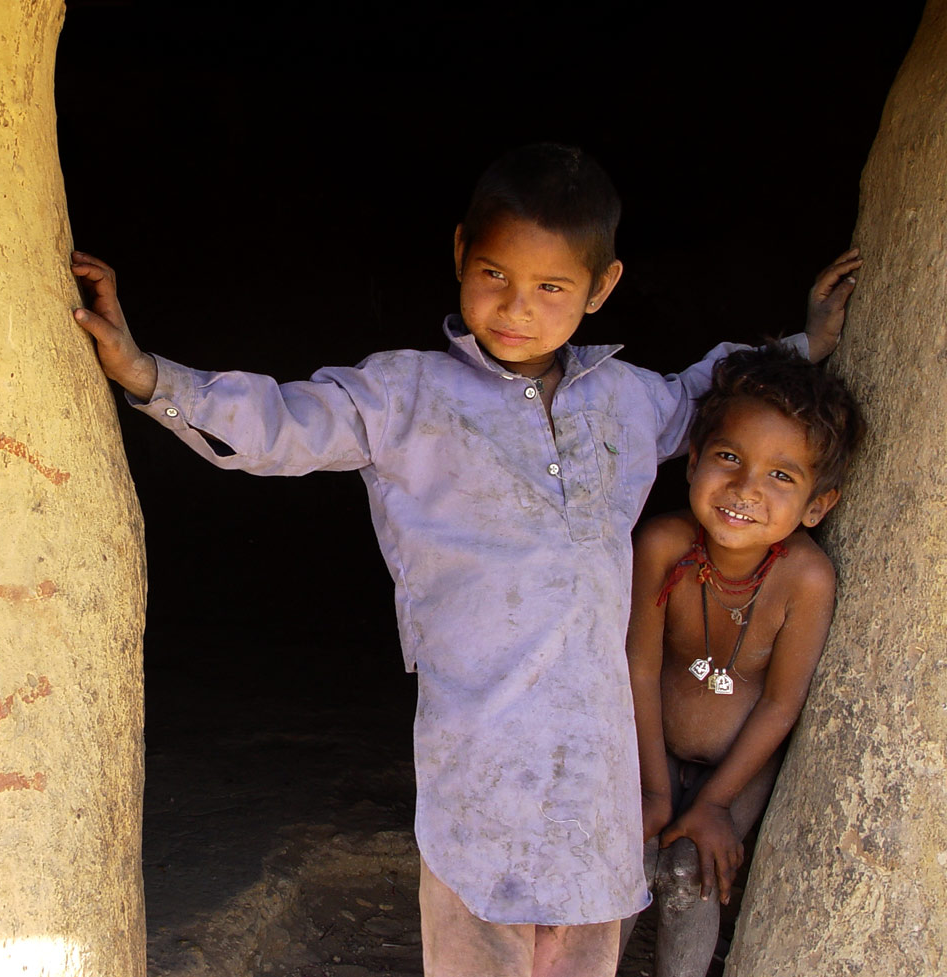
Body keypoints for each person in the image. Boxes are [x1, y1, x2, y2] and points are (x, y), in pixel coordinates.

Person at [71, 142, 860, 977]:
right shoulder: (404, 396)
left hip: (596, 777)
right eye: (494, 274)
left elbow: (716, 394)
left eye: (552, 287)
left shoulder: (629, 403)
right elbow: (281, 422)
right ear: (458, 254)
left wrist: (803, 345)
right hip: (477, 768)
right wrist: (153, 377)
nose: (516, 307)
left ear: (602, 287)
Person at [619, 345, 863, 976]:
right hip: (653, 750)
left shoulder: (805, 579)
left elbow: (782, 704)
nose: (746, 488)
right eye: (729, 457)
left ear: (817, 504)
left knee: (690, 871)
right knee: (626, 855)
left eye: (782, 475)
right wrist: (651, 788)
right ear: (693, 460)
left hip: (739, 767)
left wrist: (715, 804)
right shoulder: (662, 545)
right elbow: (639, 670)